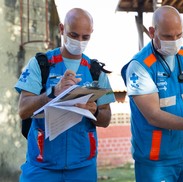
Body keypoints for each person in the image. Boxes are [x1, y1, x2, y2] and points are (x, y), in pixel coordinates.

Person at [121, 5, 183, 182]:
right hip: (156, 158)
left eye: (179, 35)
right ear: (153, 32)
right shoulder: (139, 66)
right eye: (168, 36)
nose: (174, 41)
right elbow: (153, 116)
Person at [15, 8, 115, 181]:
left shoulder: (96, 72)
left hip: (82, 166)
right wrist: (52, 93)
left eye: (85, 37)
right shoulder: (41, 64)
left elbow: (106, 119)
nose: (79, 41)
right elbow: (23, 110)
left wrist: (95, 111)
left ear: (91, 33)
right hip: (42, 166)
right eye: (74, 35)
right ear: (62, 29)